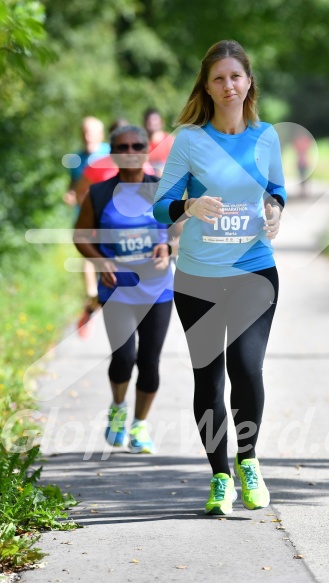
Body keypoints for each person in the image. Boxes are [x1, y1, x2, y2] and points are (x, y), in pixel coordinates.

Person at [153, 40, 286, 515]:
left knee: (245, 369)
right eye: (218, 78)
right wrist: (188, 204)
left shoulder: (266, 136)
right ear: (206, 88)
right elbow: (159, 204)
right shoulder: (189, 139)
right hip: (198, 277)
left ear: (248, 82)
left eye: (235, 76)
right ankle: (220, 477)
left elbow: (277, 191)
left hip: (253, 270)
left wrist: (274, 211)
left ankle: (247, 460)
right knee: (207, 380)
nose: (228, 85)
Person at [73, 125, 175, 453]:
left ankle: (140, 426)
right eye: (123, 145)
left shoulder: (162, 189)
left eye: (137, 144)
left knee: (149, 361)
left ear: (147, 149)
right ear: (113, 152)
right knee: (123, 357)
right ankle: (118, 408)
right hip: (117, 290)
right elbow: (81, 236)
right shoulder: (100, 193)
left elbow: (181, 228)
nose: (130, 150)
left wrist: (169, 248)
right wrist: (102, 262)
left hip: (158, 290)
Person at [63, 116, 111, 337]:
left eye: (91, 131)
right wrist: (71, 194)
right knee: (90, 258)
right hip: (86, 218)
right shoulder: (75, 159)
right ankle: (92, 295)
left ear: (101, 134)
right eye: (84, 131)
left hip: (111, 220)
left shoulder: (112, 152)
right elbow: (74, 185)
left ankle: (93, 305)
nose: (87, 135)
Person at [143, 108, 175, 177]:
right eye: (149, 122)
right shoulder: (142, 144)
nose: (152, 123)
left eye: (155, 120)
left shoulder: (170, 142)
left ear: (162, 122)